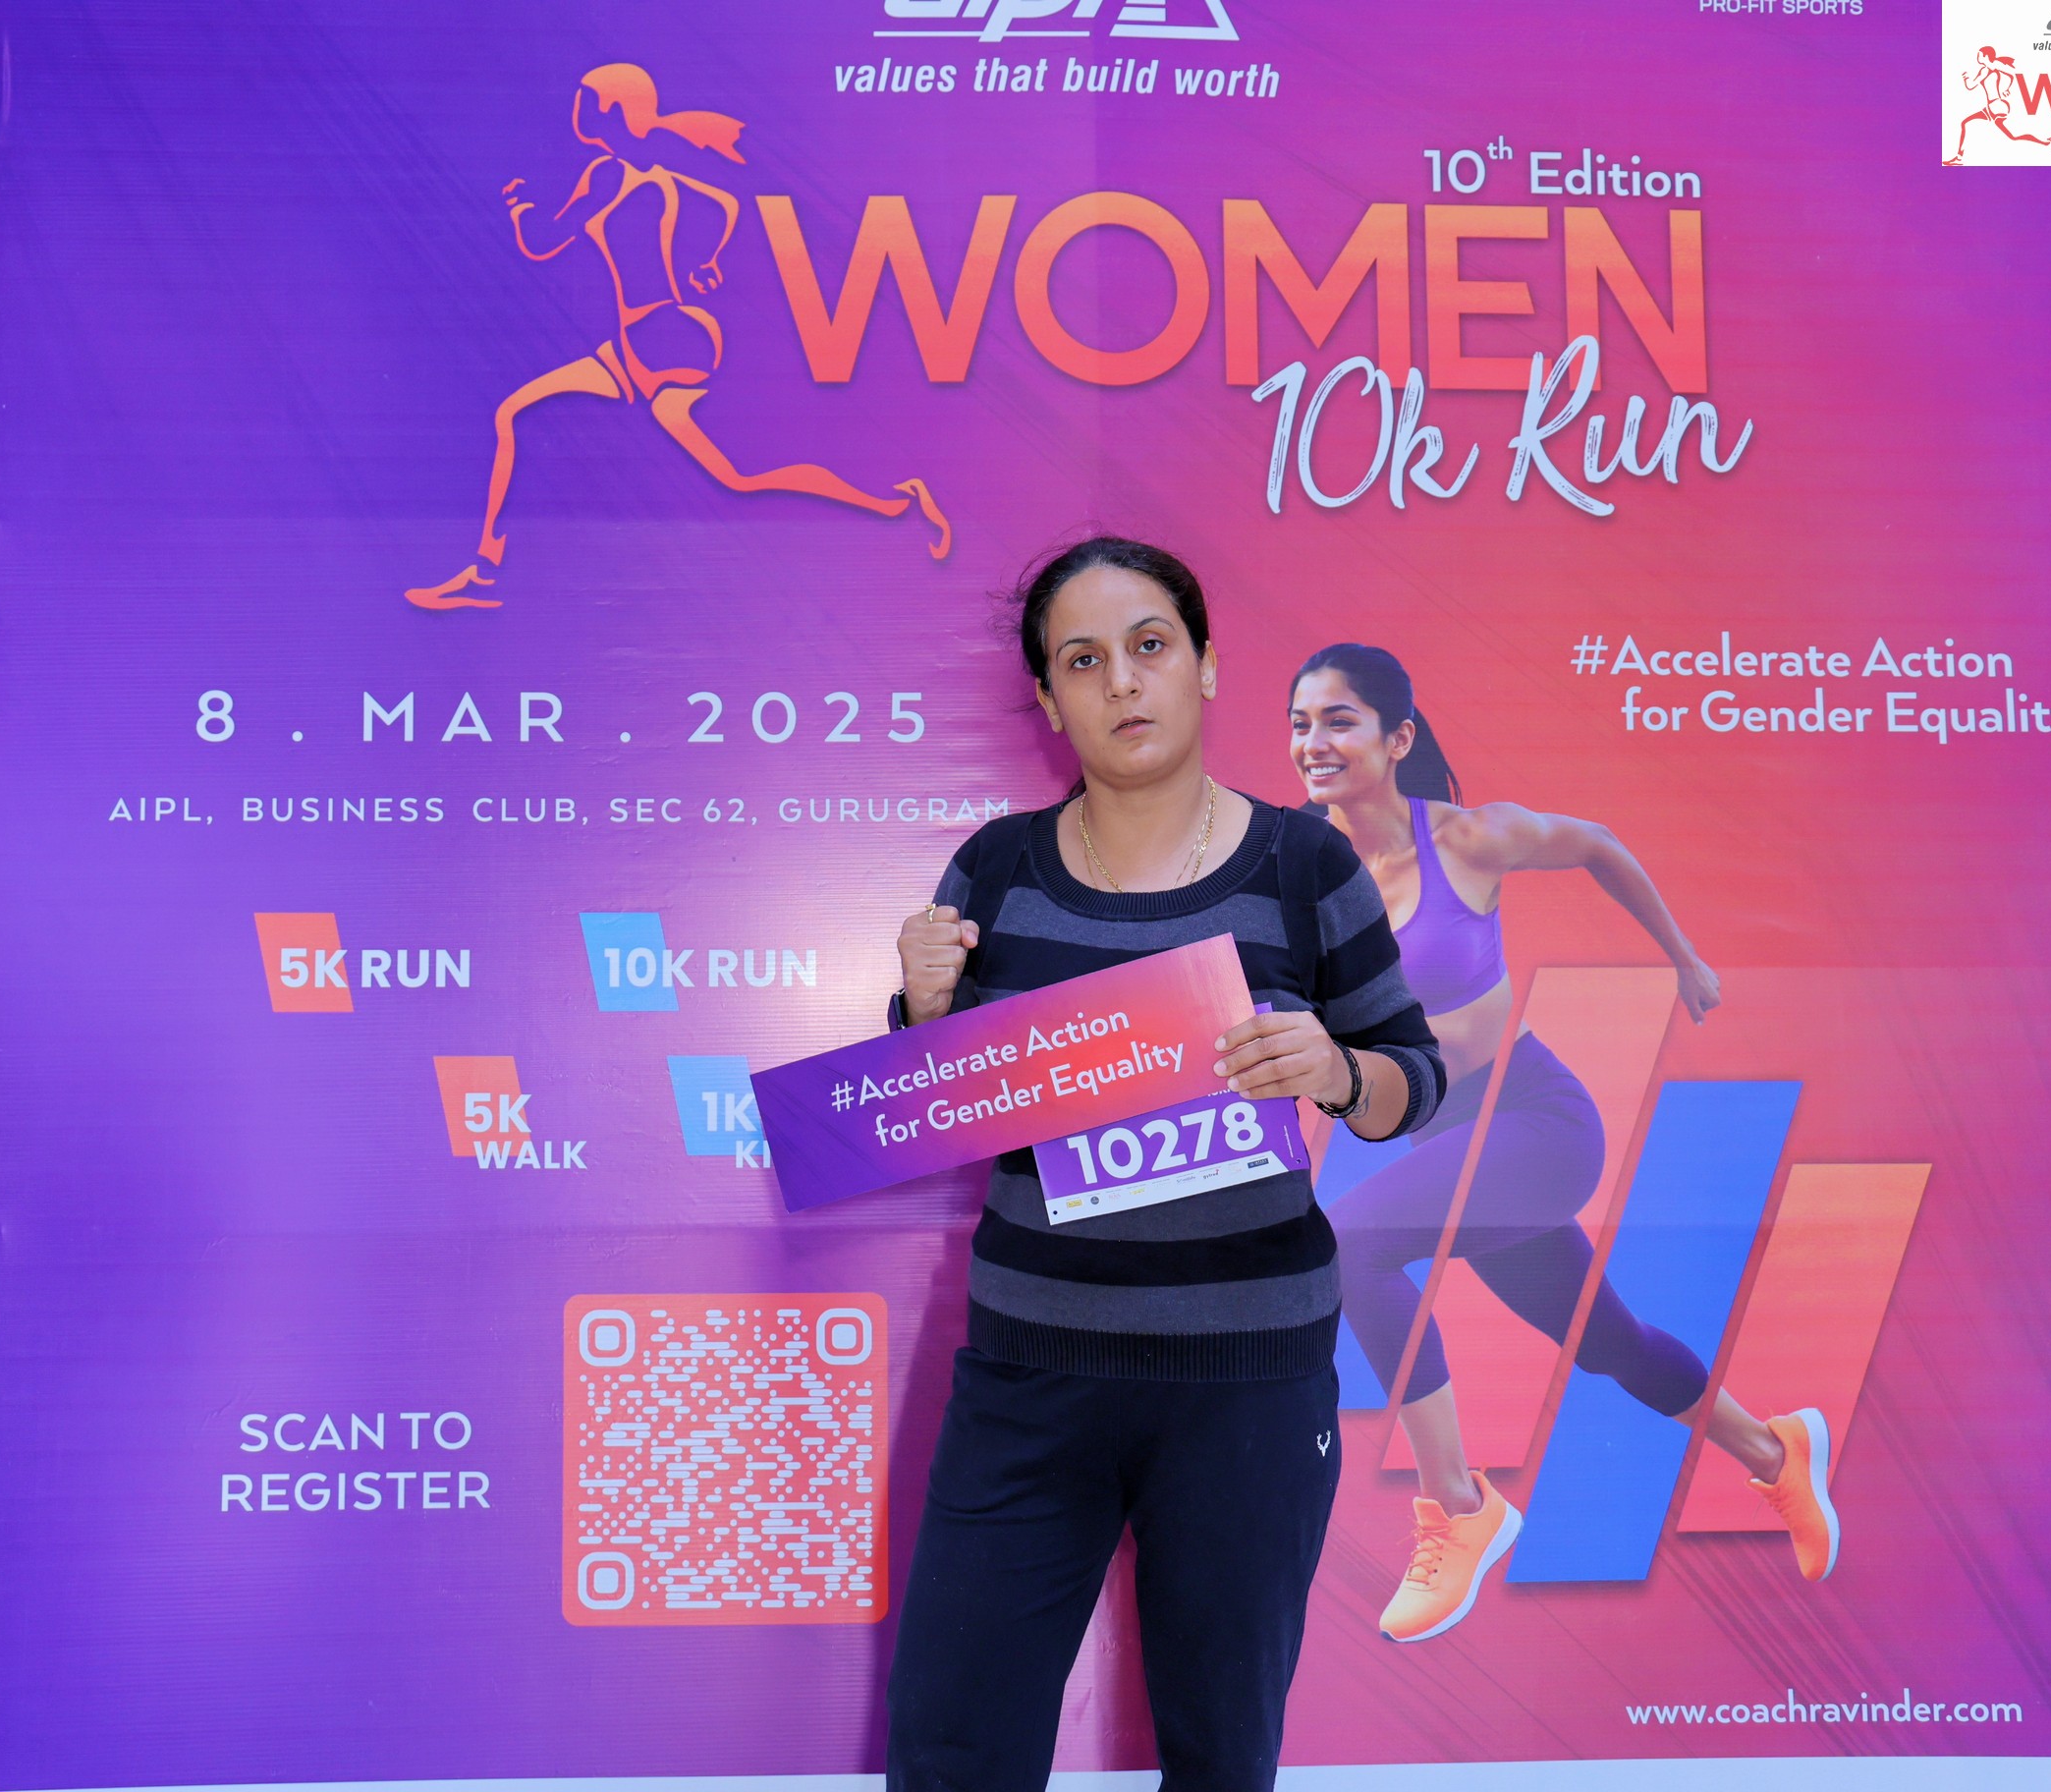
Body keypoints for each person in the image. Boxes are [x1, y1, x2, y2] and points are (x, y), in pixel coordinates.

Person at [884, 539, 1445, 1791]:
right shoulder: (995, 869)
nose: (1123, 682)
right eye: (1083, 661)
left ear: (1205, 665)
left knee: (1221, 1754)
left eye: (1150, 646)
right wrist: (923, 1011)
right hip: (1029, 1379)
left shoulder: (1305, 866)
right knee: (952, 1747)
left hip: (1247, 1387)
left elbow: (1414, 1080)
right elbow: (937, 1106)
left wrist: (1337, 1071)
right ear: (1049, 699)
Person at [1285, 644, 1838, 1644]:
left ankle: (1460, 1505)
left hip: (1534, 1124)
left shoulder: (1468, 839)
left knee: (1351, 1244)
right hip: (1454, 1146)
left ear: (1397, 738)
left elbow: (1597, 845)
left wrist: (1684, 960)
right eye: (1298, 724)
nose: (1312, 742)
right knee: (1608, 1344)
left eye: (1337, 720)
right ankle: (1774, 1451)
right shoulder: (1301, 873)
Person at [407, 63, 948, 609]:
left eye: (585, 98)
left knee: (517, 416)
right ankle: (897, 502)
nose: (576, 107)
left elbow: (543, 242)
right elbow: (727, 204)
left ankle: (486, 571)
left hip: (659, 339)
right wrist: (707, 261)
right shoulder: (657, 174)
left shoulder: (607, 174)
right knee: (734, 477)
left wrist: (518, 207)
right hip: (658, 337)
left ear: (610, 110)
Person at [1945, 47, 2051, 165]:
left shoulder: (1985, 70)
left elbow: (1970, 86)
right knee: (2011, 136)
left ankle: (1959, 158)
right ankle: (2047, 142)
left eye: (1979, 55)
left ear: (1986, 56)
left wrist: (1965, 77)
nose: (1978, 57)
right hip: (1995, 106)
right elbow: (2011, 77)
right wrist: (2007, 89)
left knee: (1967, 124)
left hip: (1996, 107)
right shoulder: (1994, 69)